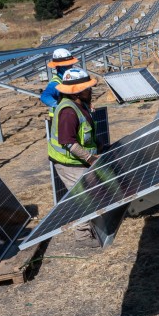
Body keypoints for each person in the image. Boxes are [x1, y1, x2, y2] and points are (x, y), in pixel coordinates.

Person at [47, 67, 102, 247]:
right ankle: (83, 236)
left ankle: (94, 225)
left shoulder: (80, 105)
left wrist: (100, 145)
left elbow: (85, 133)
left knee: (91, 193)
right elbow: (68, 142)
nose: (90, 90)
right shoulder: (68, 112)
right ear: (76, 92)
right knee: (83, 197)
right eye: (87, 88)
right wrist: (90, 158)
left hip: (78, 160)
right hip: (68, 163)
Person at [40, 48, 78, 116]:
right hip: (60, 117)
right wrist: (60, 106)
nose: (70, 67)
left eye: (71, 64)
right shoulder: (56, 82)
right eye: (67, 65)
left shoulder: (70, 78)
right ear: (59, 67)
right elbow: (45, 96)